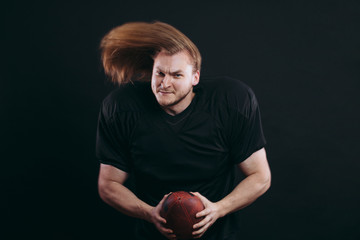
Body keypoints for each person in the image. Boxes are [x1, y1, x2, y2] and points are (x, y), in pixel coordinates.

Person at [96, 21, 271, 240]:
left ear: (195, 78)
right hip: (151, 235)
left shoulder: (231, 102)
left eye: (177, 75)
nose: (165, 83)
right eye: (159, 73)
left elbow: (260, 176)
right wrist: (149, 213)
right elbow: (108, 184)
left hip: (218, 235)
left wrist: (218, 209)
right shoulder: (121, 108)